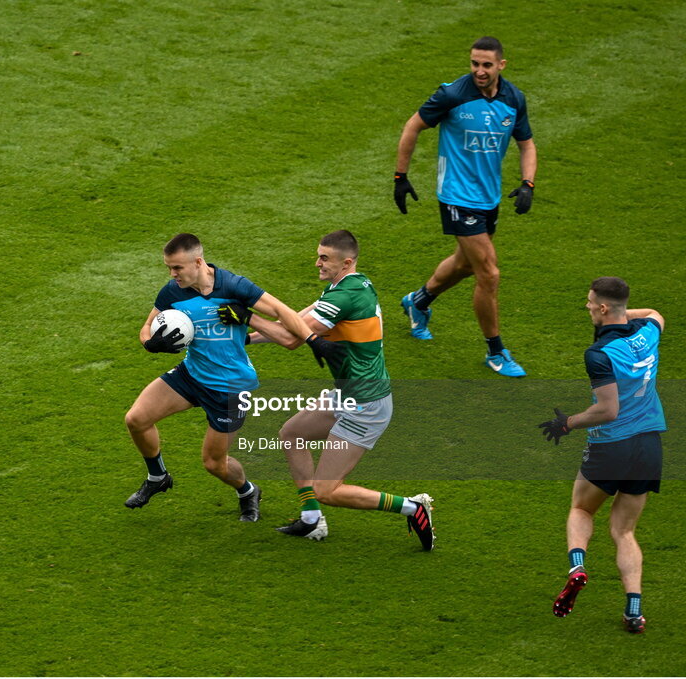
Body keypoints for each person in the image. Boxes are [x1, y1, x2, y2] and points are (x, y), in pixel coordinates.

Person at [124, 233, 343, 521]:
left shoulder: (233, 286)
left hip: (229, 387)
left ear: (198, 262)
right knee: (136, 419)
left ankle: (247, 490)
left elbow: (281, 311)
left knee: (214, 463)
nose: (172, 274)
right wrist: (149, 343)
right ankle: (157, 477)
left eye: (177, 268)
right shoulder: (172, 292)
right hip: (191, 374)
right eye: (169, 268)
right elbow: (148, 325)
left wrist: (313, 340)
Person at [237, 230, 435, 550]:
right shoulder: (351, 284)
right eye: (318, 255)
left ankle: (413, 507)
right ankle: (311, 519)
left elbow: (291, 338)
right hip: (349, 395)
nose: (317, 263)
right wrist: (245, 337)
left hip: (365, 405)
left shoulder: (343, 297)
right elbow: (297, 322)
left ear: (346, 262)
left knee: (328, 490)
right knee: (292, 434)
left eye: (324, 258)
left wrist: (247, 317)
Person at [394, 36, 537, 377]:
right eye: (475, 63)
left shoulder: (513, 99)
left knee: (465, 263)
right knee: (489, 272)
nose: (479, 71)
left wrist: (528, 183)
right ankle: (496, 351)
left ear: (501, 64)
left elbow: (527, 145)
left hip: (489, 197)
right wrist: (401, 176)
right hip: (457, 196)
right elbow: (413, 125)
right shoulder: (453, 95)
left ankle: (418, 301)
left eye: (487, 65)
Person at [536, 276, 666, 634]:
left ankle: (577, 567)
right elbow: (656, 313)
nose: (588, 306)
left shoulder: (599, 354)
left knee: (581, 508)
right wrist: (622, 315)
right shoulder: (649, 332)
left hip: (613, 444)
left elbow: (608, 410)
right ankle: (633, 611)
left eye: (592, 302)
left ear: (604, 308)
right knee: (624, 531)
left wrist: (567, 423)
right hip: (649, 445)